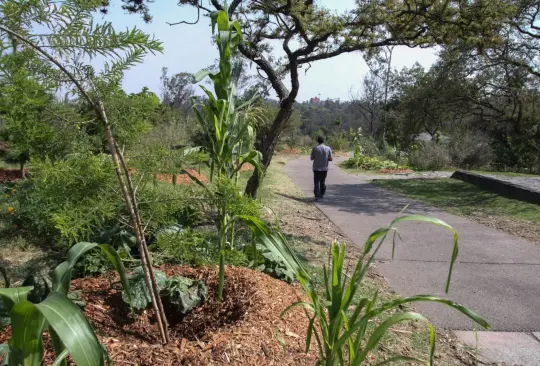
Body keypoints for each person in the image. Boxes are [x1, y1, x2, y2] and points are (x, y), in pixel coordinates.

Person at [310, 136, 333, 200]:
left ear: (318, 141)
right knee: (322, 181)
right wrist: (326, 158)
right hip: (324, 168)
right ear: (323, 141)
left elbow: (311, 158)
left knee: (316, 181)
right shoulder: (328, 148)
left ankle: (317, 195)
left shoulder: (314, 148)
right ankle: (322, 194)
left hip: (316, 168)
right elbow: (331, 159)